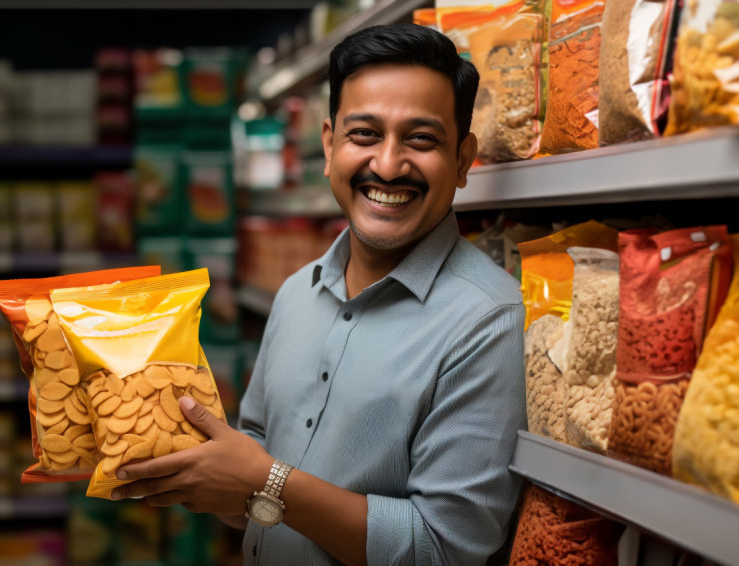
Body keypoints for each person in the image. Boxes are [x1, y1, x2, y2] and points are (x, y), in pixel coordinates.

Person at [110, 22, 527, 565]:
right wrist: (199, 473)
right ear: (329, 145)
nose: (387, 164)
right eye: (365, 135)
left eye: (421, 139)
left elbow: (445, 547)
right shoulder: (294, 294)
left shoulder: (487, 320)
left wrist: (266, 480)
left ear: (464, 159)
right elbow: (249, 495)